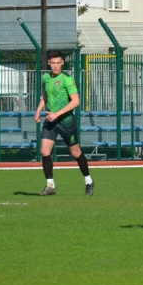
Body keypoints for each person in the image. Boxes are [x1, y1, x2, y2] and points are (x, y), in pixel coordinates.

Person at [34, 51, 92, 196]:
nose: (55, 66)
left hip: (66, 122)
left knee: (75, 152)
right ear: (48, 63)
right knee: (44, 151)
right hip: (51, 121)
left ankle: (89, 181)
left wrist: (57, 114)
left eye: (58, 63)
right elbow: (45, 97)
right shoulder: (45, 78)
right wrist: (38, 110)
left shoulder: (67, 79)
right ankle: (50, 185)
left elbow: (76, 101)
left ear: (62, 63)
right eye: (53, 63)